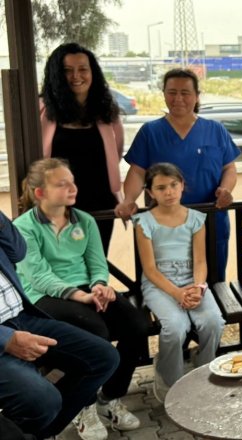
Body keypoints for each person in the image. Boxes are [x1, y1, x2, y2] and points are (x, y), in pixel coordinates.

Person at [13, 159, 148, 439]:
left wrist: (100, 286)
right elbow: (39, 277)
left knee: (136, 324)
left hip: (85, 289)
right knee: (95, 330)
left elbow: (97, 263)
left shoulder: (84, 220)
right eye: (62, 184)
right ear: (40, 193)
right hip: (43, 296)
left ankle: (110, 397)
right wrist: (81, 296)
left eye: (72, 181)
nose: (73, 188)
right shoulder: (24, 227)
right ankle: (83, 406)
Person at [0, 210, 119, 440]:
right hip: (4, 334)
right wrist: (6, 339)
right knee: (42, 401)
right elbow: (38, 275)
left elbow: (17, 252)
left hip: (20, 317)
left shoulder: (83, 219)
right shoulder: (30, 222)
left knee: (104, 357)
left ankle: (34, 433)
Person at [115, 68, 239, 280]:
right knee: (167, 282)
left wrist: (226, 189)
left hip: (210, 220)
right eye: (172, 92)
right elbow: (137, 172)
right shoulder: (150, 132)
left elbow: (229, 168)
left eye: (185, 93)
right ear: (163, 94)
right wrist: (128, 199)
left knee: (212, 281)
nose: (178, 98)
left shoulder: (215, 130)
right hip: (164, 224)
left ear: (197, 96)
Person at [132, 163, 225, 403]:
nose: (169, 192)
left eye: (174, 185)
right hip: (159, 285)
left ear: (182, 185)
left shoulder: (195, 219)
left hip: (192, 280)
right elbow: (150, 269)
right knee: (175, 326)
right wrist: (177, 293)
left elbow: (200, 261)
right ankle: (168, 376)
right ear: (151, 192)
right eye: (161, 188)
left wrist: (198, 288)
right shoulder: (144, 222)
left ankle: (204, 367)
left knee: (213, 321)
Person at [39, 43, 124, 254]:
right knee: (63, 264)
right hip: (57, 206)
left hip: (100, 204)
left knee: (97, 262)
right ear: (57, 75)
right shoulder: (42, 109)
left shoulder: (107, 110)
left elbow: (116, 152)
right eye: (68, 70)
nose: (76, 76)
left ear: (92, 72)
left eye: (83, 69)